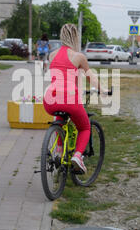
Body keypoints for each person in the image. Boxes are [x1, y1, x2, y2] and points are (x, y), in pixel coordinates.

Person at [43, 24, 108, 174]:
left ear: (62, 36)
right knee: (84, 127)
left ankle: (59, 152)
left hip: (50, 100)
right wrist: (102, 90)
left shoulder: (52, 55)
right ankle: (78, 156)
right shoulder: (79, 57)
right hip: (69, 100)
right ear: (76, 37)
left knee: (60, 120)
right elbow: (91, 77)